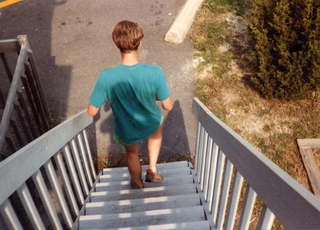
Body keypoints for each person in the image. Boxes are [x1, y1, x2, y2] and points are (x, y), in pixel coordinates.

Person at [87, 20, 173, 189]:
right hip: (150, 121)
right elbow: (168, 106)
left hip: (127, 127)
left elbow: (91, 111)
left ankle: (137, 183)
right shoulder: (155, 72)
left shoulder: (106, 76)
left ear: (116, 43)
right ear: (139, 42)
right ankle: (152, 170)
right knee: (156, 131)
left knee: (132, 153)